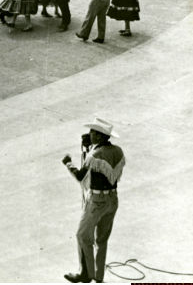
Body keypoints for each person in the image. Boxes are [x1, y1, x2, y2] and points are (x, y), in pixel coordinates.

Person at [62, 115, 126, 284]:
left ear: (99, 136)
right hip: (112, 200)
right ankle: (98, 276)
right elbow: (106, 171)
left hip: (97, 201)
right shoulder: (118, 151)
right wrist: (89, 148)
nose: (89, 134)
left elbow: (81, 176)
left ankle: (85, 274)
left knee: (83, 236)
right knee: (102, 239)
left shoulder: (95, 154)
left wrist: (68, 163)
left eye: (92, 132)